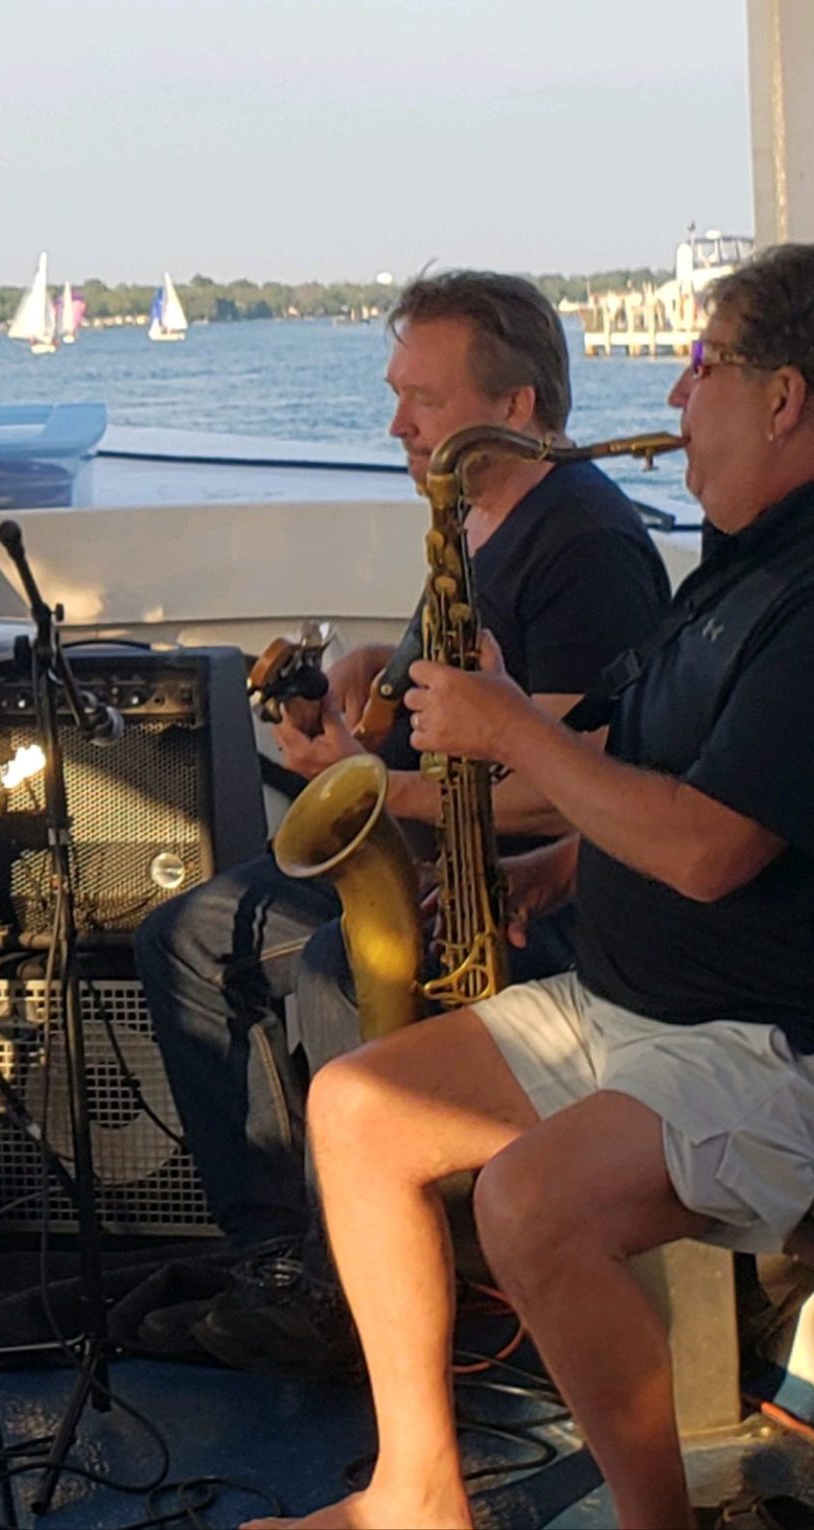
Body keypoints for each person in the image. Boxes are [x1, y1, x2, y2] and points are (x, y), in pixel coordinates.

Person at [253, 242, 814, 1530]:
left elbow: (713, 847)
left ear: (783, 395)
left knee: (530, 1202)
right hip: (636, 1004)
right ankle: (416, 1494)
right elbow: (634, 750)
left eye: (702, 364)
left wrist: (511, 735)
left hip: (763, 1045)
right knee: (359, 1110)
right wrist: (553, 860)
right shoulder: (736, 565)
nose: (675, 400)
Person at [129, 272, 671, 1372]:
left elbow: (577, 772)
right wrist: (386, 671)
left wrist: (383, 790)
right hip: (438, 851)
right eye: (397, 395)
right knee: (184, 937)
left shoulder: (585, 548)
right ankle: (290, 1265)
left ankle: (405, 1297)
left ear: (517, 407)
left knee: (334, 967)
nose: (397, 425)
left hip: (524, 893)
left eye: (423, 401)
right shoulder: (476, 520)